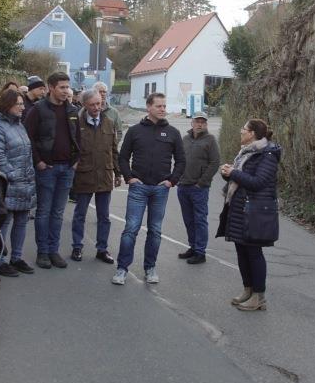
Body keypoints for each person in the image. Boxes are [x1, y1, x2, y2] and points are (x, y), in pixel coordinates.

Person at [112, 92, 185, 286]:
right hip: (139, 188)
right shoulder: (135, 131)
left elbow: (181, 161)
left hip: (160, 189)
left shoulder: (173, 133)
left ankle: (150, 268)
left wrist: (172, 181)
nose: (163, 109)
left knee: (155, 230)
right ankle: (122, 269)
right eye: (159, 106)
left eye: (164, 106)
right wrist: (130, 177)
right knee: (131, 229)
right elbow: (122, 157)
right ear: (148, 107)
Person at [218, 119, 281, 312]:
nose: (241, 132)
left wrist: (234, 173)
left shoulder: (267, 154)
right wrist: (227, 173)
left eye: (243, 129)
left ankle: (258, 297)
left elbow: (259, 182)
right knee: (242, 251)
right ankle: (248, 290)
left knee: (253, 253)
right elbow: (240, 178)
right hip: (239, 209)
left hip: (254, 211)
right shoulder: (247, 152)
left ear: (252, 133)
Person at [24, 71, 80, 269]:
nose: (66, 91)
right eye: (62, 87)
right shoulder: (38, 109)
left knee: (58, 213)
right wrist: (37, 161)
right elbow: (27, 137)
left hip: (67, 168)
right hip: (47, 168)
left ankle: (54, 250)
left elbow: (79, 137)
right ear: (51, 87)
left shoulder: (72, 110)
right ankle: (43, 252)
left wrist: (76, 160)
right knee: (44, 212)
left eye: (68, 87)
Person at [0, 88, 37, 276]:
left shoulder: (19, 124)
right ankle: (0, 261)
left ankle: (17, 257)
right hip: (9, 183)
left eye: (23, 103)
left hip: (25, 181)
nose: (23, 107)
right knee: (5, 222)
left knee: (22, 221)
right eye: (19, 104)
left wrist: (28, 174)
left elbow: (27, 151)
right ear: (8, 105)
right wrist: (13, 175)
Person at [70, 89, 121, 263]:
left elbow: (114, 150)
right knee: (80, 215)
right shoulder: (77, 123)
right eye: (92, 104)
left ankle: (102, 249)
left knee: (104, 217)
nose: (97, 107)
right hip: (84, 175)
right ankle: (77, 247)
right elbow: (72, 150)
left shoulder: (109, 122)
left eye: (99, 103)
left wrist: (118, 172)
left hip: (104, 175)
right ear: (84, 105)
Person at [177, 112, 220, 265]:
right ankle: (193, 247)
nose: (200, 124)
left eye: (203, 122)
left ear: (206, 124)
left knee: (200, 220)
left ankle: (200, 252)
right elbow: (179, 160)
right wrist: (178, 178)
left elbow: (215, 162)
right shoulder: (185, 139)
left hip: (199, 188)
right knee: (188, 220)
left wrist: (202, 182)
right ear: (192, 123)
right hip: (183, 186)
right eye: (197, 121)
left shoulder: (210, 140)